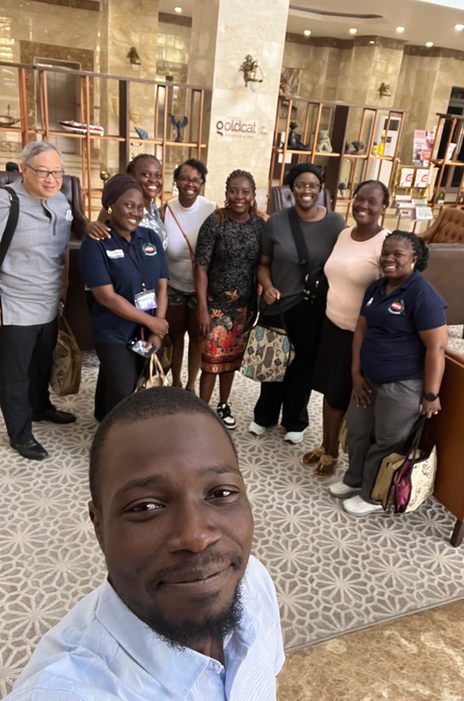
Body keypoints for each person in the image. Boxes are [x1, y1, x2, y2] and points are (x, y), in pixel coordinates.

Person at [6, 387, 285, 700]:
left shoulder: (254, 581)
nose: (196, 538)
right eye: (145, 507)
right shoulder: (62, 691)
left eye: (221, 493)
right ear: (99, 526)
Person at [329, 231, 448, 516]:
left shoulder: (423, 295)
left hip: (403, 384)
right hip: (367, 379)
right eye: (385, 253)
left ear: (414, 260)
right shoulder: (376, 287)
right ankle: (354, 479)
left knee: (387, 441)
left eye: (398, 255)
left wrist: (431, 394)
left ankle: (372, 495)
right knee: (357, 431)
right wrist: (356, 375)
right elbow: (361, 330)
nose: (389, 259)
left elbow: (437, 348)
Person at [250, 163, 346, 444]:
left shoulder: (335, 223)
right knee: (272, 362)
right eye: (301, 185)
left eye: (313, 185)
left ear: (321, 189)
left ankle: (295, 420)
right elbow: (263, 264)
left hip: (312, 306)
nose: (307, 190)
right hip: (278, 303)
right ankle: (264, 415)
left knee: (304, 365)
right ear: (291, 189)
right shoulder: (276, 221)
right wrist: (267, 287)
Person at [302, 180, 390, 477]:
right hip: (331, 325)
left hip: (357, 334)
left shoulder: (385, 243)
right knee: (329, 391)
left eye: (372, 201)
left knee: (340, 394)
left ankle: (333, 453)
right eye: (359, 199)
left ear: (384, 207)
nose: (363, 205)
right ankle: (326, 445)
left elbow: (390, 291)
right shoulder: (343, 234)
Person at [0, 141, 75, 461]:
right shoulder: (6, 202)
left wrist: (65, 283)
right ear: (25, 170)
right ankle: (20, 434)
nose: (51, 179)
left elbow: (64, 245)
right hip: (14, 304)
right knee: (14, 374)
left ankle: (40, 407)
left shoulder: (60, 200)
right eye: (43, 172)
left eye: (57, 172)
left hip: (49, 302)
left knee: (42, 363)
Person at [79, 174, 169, 421]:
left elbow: (162, 285)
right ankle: (115, 437)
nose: (135, 213)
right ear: (110, 206)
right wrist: (152, 322)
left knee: (142, 379)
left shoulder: (150, 238)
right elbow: (106, 297)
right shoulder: (95, 245)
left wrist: (157, 327)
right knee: (123, 388)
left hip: (147, 329)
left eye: (140, 207)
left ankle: (104, 416)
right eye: (129, 205)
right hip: (114, 331)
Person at [195, 170, 264, 430]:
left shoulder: (259, 225)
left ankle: (223, 406)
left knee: (231, 361)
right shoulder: (215, 222)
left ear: (253, 194)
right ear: (226, 193)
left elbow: (263, 263)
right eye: (234, 191)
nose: (239, 197)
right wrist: (202, 307)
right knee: (211, 361)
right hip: (216, 306)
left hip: (244, 307)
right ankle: (202, 413)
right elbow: (200, 267)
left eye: (245, 192)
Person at [164, 159, 216, 391]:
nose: (190, 184)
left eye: (196, 180)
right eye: (185, 178)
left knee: (197, 338)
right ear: (176, 181)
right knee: (175, 336)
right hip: (173, 284)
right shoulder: (166, 209)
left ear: (202, 183)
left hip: (200, 288)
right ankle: (176, 384)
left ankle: (190, 387)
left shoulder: (211, 209)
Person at [89, 154, 168, 249]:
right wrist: (88, 226)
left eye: (158, 176)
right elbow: (100, 240)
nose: (153, 180)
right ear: (132, 176)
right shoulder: (116, 207)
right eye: (146, 174)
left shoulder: (153, 208)